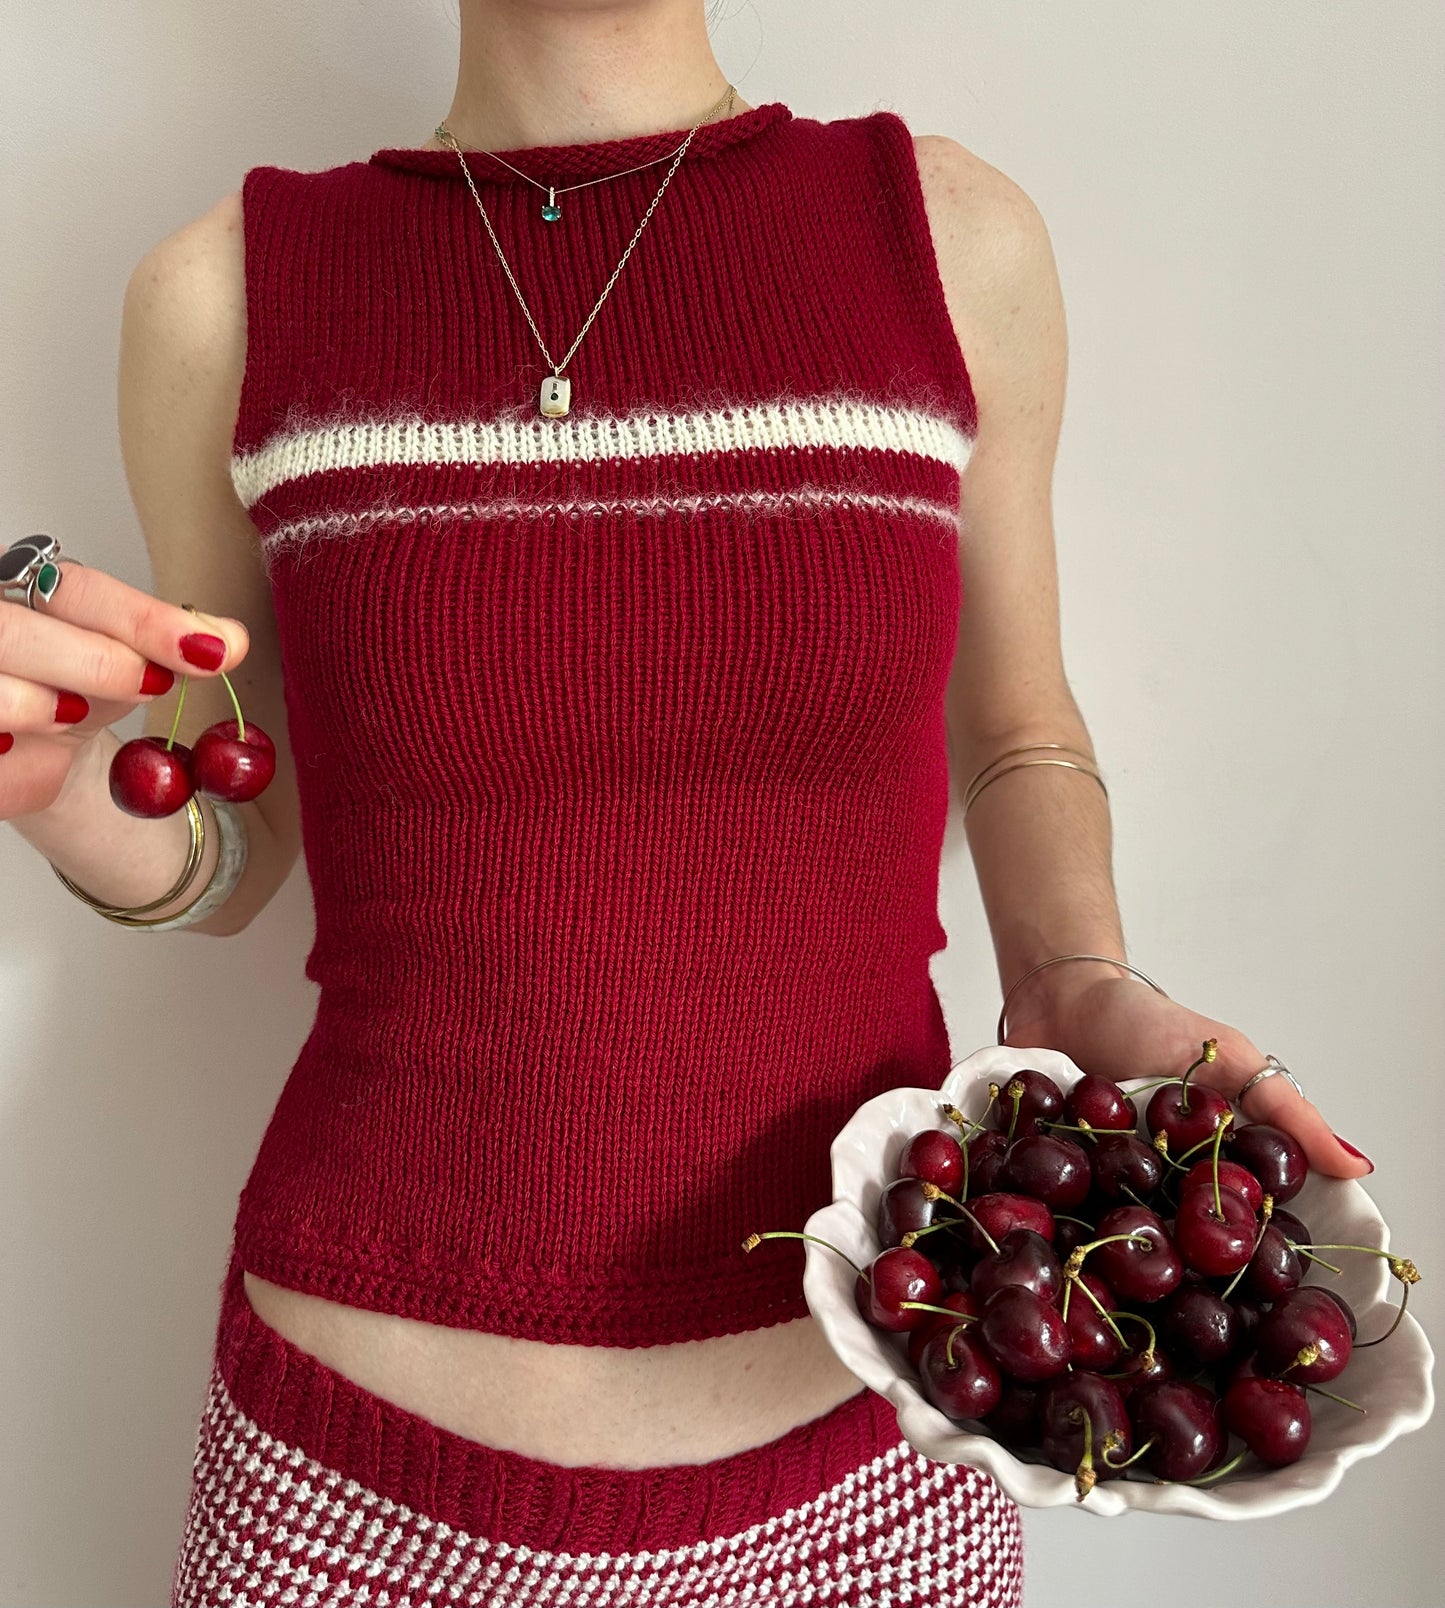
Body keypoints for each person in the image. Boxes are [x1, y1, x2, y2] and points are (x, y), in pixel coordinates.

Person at [2, 2, 1374, 1603]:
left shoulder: (939, 235)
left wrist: (1073, 981)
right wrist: (52, 792)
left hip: (876, 1458)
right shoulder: (227, 291)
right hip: (345, 1480)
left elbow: (1014, 726)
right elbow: (231, 837)